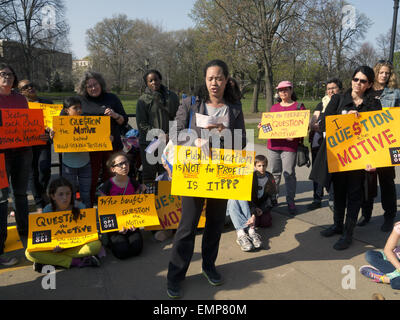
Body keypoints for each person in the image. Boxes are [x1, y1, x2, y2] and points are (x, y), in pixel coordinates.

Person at [166, 59, 246, 299]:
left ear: (226, 80)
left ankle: (208, 266)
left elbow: (241, 142)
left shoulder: (234, 107)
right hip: (193, 173)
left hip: (220, 175)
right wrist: (194, 139)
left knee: (215, 224)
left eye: (219, 78)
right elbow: (174, 133)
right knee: (187, 226)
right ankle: (175, 276)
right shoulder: (190, 103)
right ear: (205, 80)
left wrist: (221, 138)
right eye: (210, 78)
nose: (214, 83)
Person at [319, 66, 381, 250]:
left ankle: (348, 232)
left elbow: (378, 134)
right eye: (355, 79)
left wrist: (374, 161)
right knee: (338, 193)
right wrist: (344, 118)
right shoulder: (338, 99)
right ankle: (337, 224)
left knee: (354, 196)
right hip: (339, 156)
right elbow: (324, 123)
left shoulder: (373, 105)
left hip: (360, 159)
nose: (358, 83)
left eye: (363, 81)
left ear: (369, 84)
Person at [25, 177, 103, 272]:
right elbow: (43, 237)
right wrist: (52, 246)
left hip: (76, 246)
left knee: (96, 245)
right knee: (29, 253)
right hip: (55, 248)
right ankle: (76, 261)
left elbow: (91, 229)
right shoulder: (47, 210)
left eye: (68, 193)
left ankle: (49, 261)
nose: (65, 198)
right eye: (60, 194)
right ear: (53, 196)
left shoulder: (80, 207)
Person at [357, 60, 399, 231]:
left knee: (387, 181)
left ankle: (389, 216)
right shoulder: (365, 91)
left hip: (386, 143)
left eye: (387, 73)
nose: (384, 75)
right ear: (375, 73)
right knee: (366, 181)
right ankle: (366, 214)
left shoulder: (395, 93)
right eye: (381, 72)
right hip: (367, 142)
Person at [76, 71, 129, 205]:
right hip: (89, 149)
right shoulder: (80, 101)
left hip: (112, 146)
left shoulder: (112, 98)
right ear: (84, 88)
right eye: (89, 86)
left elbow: (123, 120)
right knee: (90, 178)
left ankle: (111, 206)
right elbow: (65, 117)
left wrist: (115, 115)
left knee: (111, 176)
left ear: (101, 84)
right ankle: (89, 207)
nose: (93, 88)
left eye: (96, 84)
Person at [0, 64, 32, 266]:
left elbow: (28, 123)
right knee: (2, 198)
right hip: (1, 154)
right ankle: (0, 244)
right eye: (2, 74)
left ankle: (25, 230)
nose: (7, 77)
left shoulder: (21, 99)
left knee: (20, 193)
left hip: (22, 152)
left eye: (10, 75)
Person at [265, 81, 306, 215]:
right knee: (275, 173)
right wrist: (263, 127)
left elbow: (304, 127)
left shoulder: (299, 107)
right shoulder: (274, 107)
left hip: (289, 146)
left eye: (286, 90)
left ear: (291, 90)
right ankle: (274, 198)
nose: (283, 92)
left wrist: (294, 136)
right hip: (274, 145)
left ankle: (290, 201)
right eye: (280, 90)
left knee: (289, 174)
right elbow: (269, 126)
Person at [98, 152, 145, 259]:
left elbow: (139, 205)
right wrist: (116, 227)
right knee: (122, 252)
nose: (124, 166)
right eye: (120, 164)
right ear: (113, 169)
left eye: (126, 163)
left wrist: (143, 191)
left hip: (132, 224)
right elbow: (103, 212)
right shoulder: (107, 186)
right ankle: (110, 241)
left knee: (136, 249)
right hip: (115, 227)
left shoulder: (134, 183)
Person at [136, 69, 180, 184]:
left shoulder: (172, 97)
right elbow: (141, 124)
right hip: (149, 143)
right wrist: (159, 135)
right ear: (147, 83)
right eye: (150, 81)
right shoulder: (143, 100)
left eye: (156, 79)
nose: (154, 82)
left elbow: (178, 118)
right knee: (149, 174)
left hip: (168, 142)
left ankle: (165, 200)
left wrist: (170, 135)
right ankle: (150, 199)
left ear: (160, 80)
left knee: (166, 171)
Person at [226, 154, 276, 252]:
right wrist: (253, 213)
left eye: (264, 165)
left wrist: (262, 209)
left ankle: (247, 230)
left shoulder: (269, 177)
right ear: (254, 166)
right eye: (259, 166)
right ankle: (244, 233)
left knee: (265, 221)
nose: (262, 168)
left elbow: (272, 198)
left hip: (257, 206)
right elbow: (247, 199)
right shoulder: (249, 177)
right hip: (244, 208)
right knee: (234, 198)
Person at [307, 78, 342, 210]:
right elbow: (313, 122)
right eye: (328, 89)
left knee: (333, 172)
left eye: (333, 88)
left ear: (339, 89)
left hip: (335, 143)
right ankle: (317, 198)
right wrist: (314, 125)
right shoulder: (322, 103)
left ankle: (332, 199)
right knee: (317, 170)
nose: (330, 91)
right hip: (319, 142)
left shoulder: (342, 102)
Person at [18, 80, 53, 211]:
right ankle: (39, 202)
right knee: (32, 172)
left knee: (44, 169)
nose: (30, 88)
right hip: (26, 144)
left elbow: (55, 124)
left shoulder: (48, 103)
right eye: (25, 87)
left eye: (32, 85)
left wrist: (50, 133)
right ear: (21, 92)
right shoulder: (20, 105)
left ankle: (43, 191)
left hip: (43, 142)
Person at [51, 97, 92, 208]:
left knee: (86, 194)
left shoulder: (88, 122)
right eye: (75, 108)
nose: (79, 110)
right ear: (66, 110)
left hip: (86, 163)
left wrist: (107, 138)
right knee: (70, 194)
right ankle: (72, 218)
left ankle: (88, 219)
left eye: (80, 107)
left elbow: (99, 137)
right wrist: (53, 135)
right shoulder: (59, 125)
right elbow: (54, 140)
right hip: (68, 165)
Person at [359, 221, 400, 290]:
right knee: (370, 255)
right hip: (396, 259)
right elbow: (388, 250)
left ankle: (386, 278)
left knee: (396, 284)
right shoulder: (399, 227)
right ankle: (393, 275)